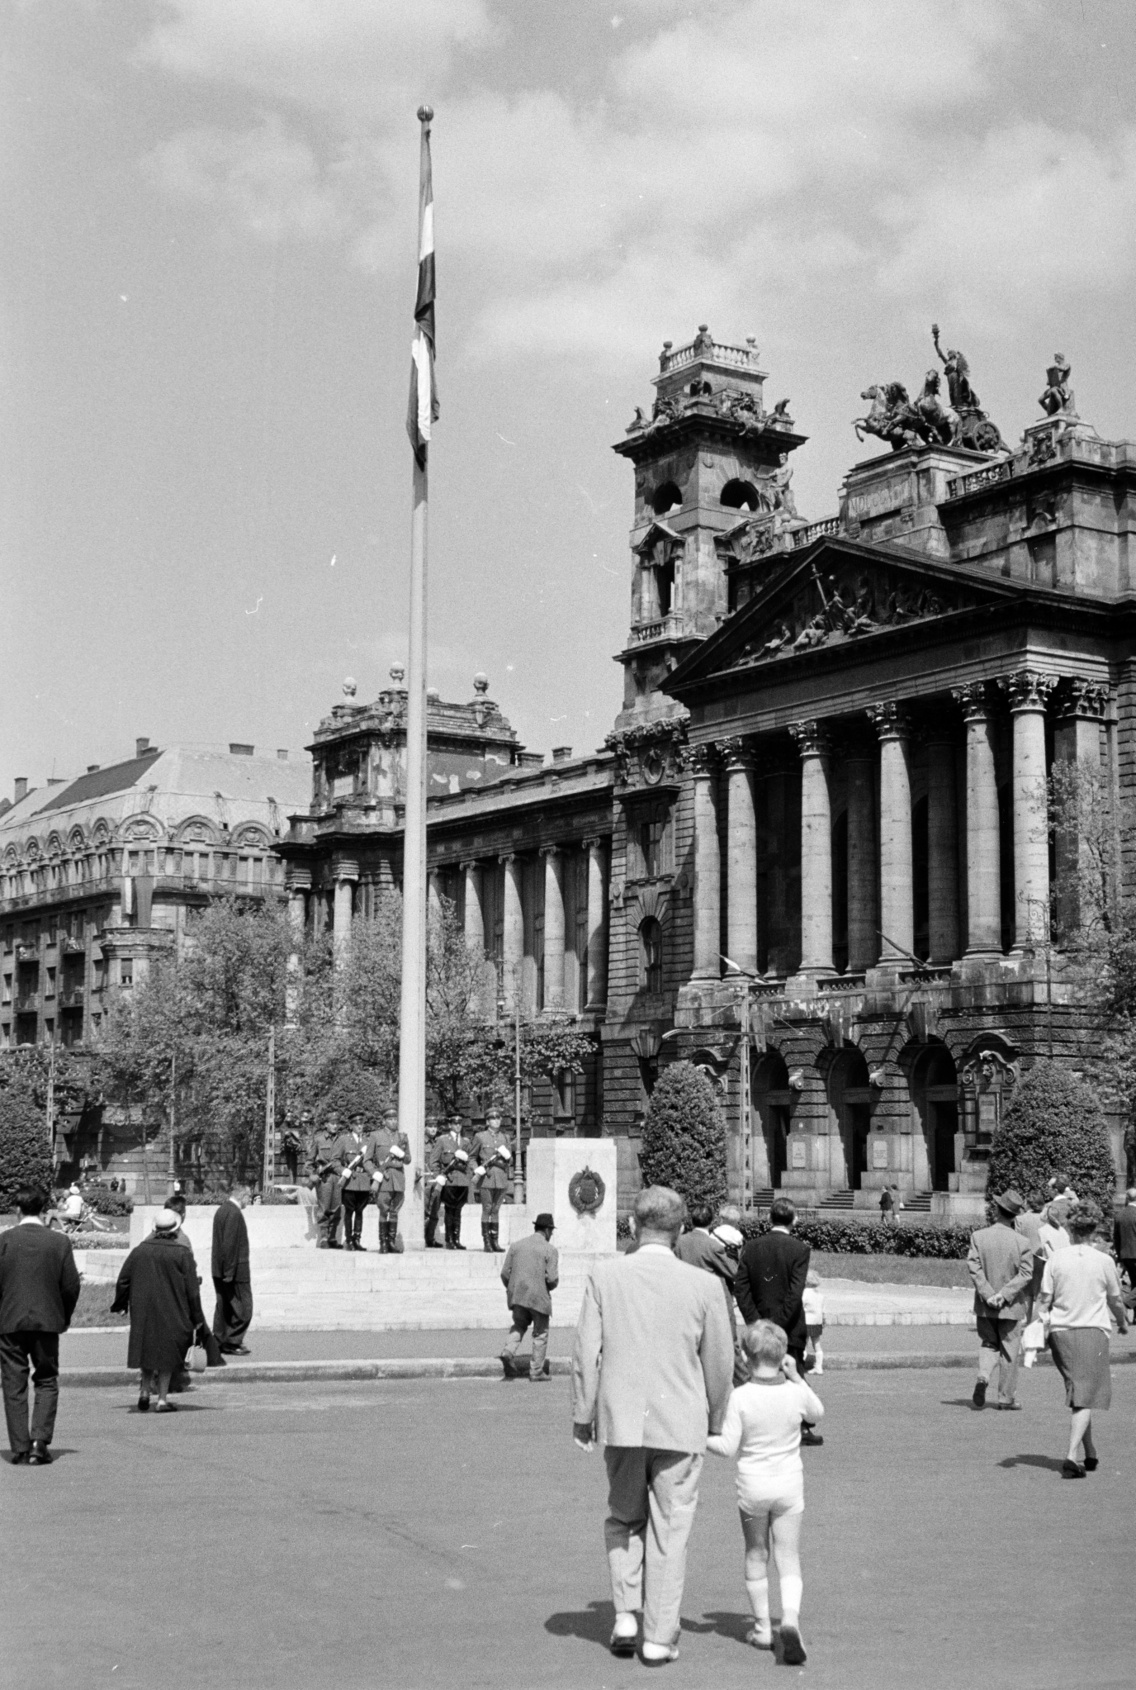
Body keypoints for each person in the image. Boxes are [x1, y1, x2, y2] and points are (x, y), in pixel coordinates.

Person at [571, 1185, 734, 1666]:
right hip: (682, 1421)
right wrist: (717, 1417)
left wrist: (584, 1414)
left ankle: (625, 1614)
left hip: (621, 1420)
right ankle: (660, 1635)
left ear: (632, 1226)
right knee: (672, 1529)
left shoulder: (605, 1275)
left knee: (624, 1517)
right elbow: (720, 1363)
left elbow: (585, 1353)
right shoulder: (705, 1285)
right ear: (681, 1229)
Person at [707, 1320, 824, 1664]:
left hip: (753, 1485)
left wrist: (699, 1436)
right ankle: (789, 1619)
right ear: (783, 1355)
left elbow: (727, 1447)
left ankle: (761, 1627)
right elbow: (817, 1412)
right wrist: (797, 1376)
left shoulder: (740, 1397)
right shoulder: (794, 1391)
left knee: (756, 1553)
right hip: (789, 1484)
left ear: (745, 1355)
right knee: (789, 1556)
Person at [1035, 1202, 1129, 1478]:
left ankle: (1090, 1452)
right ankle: (1071, 1456)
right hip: (1092, 1332)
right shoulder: (1103, 1261)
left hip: (1060, 1334)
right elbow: (1115, 1299)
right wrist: (1122, 1323)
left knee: (1080, 1392)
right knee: (1085, 1395)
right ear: (1095, 1230)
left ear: (1070, 1229)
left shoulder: (1056, 1259)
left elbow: (1045, 1299)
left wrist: (1039, 1326)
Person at [0, 1186, 81, 1464]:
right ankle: (39, 1442)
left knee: (13, 1383)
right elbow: (71, 1286)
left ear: (17, 1210)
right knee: (46, 1379)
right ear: (44, 1210)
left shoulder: (5, 1240)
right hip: (47, 1322)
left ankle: (20, 1447)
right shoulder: (58, 1242)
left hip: (9, 1321)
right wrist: (63, 1317)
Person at [734, 1198, 820, 1445]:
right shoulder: (799, 1249)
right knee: (794, 1372)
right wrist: (779, 1326)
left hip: (760, 1320)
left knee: (758, 1374)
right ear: (794, 1219)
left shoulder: (751, 1246)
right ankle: (801, 1427)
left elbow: (742, 1289)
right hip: (790, 1325)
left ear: (770, 1218)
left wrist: (757, 1323)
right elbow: (794, 1293)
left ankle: (757, 1426)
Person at [113, 1208, 206, 1412]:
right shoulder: (181, 1253)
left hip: (144, 1309)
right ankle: (162, 1400)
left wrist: (121, 1304)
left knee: (148, 1349)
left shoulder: (139, 1251)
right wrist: (197, 1317)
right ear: (176, 1229)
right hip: (172, 1308)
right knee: (166, 1354)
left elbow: (124, 1279)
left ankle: (144, 1391)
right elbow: (192, 1290)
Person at [966, 1189, 1033, 1410]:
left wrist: (988, 1294)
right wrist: (1004, 1295)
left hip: (986, 1306)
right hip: (1011, 1306)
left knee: (988, 1343)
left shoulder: (979, 1237)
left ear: (997, 1210)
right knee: (1010, 1350)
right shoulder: (1022, 1242)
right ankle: (1006, 1398)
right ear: (1015, 1216)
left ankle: (983, 1377)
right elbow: (1025, 1274)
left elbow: (974, 1267)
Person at [676, 1198, 747, 1386]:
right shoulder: (712, 1246)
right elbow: (733, 1271)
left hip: (687, 1297)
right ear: (711, 1221)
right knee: (729, 1341)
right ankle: (742, 1382)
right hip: (713, 1299)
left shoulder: (679, 1242)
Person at [499, 1212, 559, 1382]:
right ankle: (536, 1371)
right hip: (538, 1298)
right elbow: (552, 1279)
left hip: (518, 1295)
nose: (551, 1235)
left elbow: (504, 1273)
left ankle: (508, 1351)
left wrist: (513, 1287)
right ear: (547, 1230)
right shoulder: (550, 1250)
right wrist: (548, 1286)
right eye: (551, 1231)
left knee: (519, 1325)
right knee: (540, 1333)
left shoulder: (517, 1246)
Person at [211, 1186, 252, 1356]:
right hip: (234, 1271)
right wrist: (229, 1272)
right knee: (244, 1308)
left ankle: (220, 1340)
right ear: (242, 1196)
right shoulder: (234, 1213)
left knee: (224, 1307)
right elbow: (229, 1244)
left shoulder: (223, 1210)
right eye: (249, 1197)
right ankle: (232, 1341)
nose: (250, 1201)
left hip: (220, 1269)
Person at [366, 1106, 412, 1253]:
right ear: (384, 1121)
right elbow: (367, 1160)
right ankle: (383, 1243)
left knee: (394, 1211)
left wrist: (402, 1155)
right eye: (390, 1119)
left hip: (398, 1178)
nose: (393, 1122)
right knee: (383, 1210)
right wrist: (375, 1174)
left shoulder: (402, 1137)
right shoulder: (376, 1136)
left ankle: (391, 1242)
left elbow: (408, 1160)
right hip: (383, 1178)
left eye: (395, 1119)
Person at [472, 1107, 513, 1253]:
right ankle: (487, 1242)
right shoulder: (480, 1137)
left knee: (496, 1209)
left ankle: (495, 1241)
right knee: (487, 1208)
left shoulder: (505, 1138)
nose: (496, 1121)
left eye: (498, 1118)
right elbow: (472, 1157)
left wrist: (508, 1156)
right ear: (487, 1121)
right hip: (487, 1178)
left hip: (501, 1178)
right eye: (493, 1119)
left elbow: (510, 1160)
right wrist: (477, 1169)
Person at [331, 1113, 372, 1251]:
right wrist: (343, 1171)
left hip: (364, 1180)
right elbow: (335, 1161)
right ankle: (348, 1240)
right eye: (356, 1124)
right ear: (351, 1126)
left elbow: (372, 1160)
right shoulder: (344, 1140)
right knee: (349, 1211)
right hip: (350, 1181)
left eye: (361, 1124)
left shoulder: (368, 1141)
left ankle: (357, 1239)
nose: (359, 1126)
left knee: (360, 1211)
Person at [436, 1114, 472, 1250]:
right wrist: (438, 1175)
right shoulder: (443, 1140)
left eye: (459, 1123)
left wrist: (468, 1178)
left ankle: (457, 1239)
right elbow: (434, 1160)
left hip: (462, 1181)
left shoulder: (466, 1142)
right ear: (450, 1125)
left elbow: (469, 1161)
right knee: (449, 1210)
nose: (457, 1126)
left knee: (458, 1210)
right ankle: (449, 1240)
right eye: (455, 1123)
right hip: (449, 1180)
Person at [310, 1113, 344, 1249]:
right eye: (332, 1123)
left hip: (338, 1177)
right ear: (326, 1125)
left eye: (337, 1123)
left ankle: (332, 1237)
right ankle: (323, 1237)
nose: (335, 1126)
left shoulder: (342, 1140)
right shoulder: (318, 1140)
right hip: (324, 1178)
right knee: (324, 1208)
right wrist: (313, 1174)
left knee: (336, 1209)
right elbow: (309, 1161)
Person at [423, 1120, 444, 1248]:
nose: (433, 1129)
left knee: (434, 1211)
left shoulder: (438, 1143)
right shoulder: (421, 1143)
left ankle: (430, 1238)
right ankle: (422, 1238)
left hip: (437, 1180)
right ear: (425, 1127)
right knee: (424, 1211)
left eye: (435, 1126)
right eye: (430, 1126)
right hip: (425, 1181)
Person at [1112, 1188, 1136, 1303]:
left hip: (1126, 1255)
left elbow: (1116, 1237)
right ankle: (1128, 1303)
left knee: (1134, 1283)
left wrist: (1119, 1256)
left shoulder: (1120, 1215)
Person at [802, 1271, 825, 1375]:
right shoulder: (820, 1294)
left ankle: (800, 1366)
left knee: (803, 1344)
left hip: (806, 1321)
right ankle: (818, 1367)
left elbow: (800, 1306)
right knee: (817, 1344)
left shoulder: (805, 1293)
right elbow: (822, 1310)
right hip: (817, 1321)